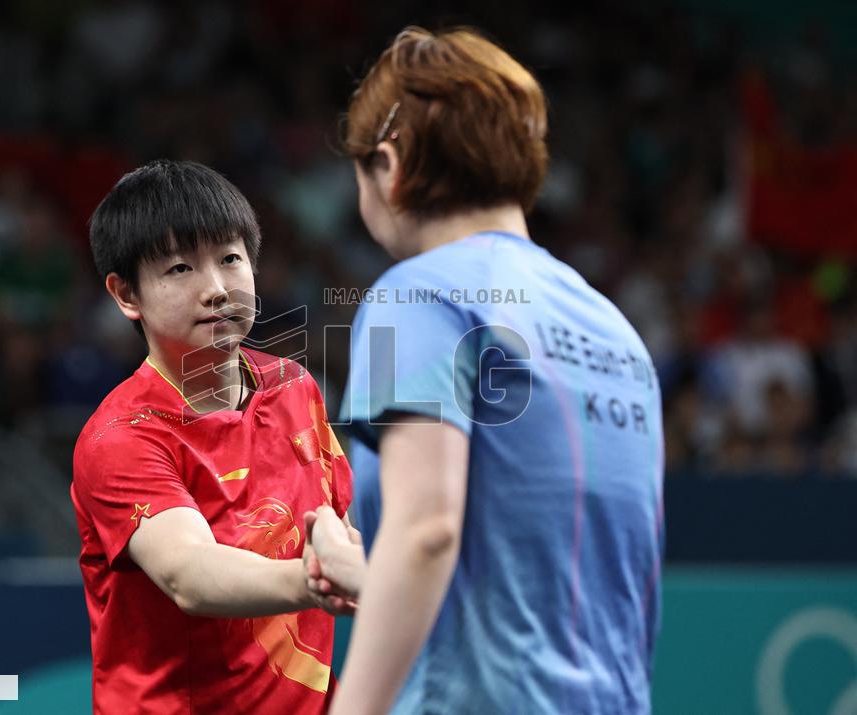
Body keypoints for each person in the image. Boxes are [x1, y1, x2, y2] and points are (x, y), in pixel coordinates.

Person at [306, 27, 665, 714]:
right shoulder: (614, 329)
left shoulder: (415, 294)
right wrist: (370, 575)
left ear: (389, 166)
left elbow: (428, 530)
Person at [71, 160, 355, 714]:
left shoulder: (295, 388)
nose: (217, 289)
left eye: (230, 259)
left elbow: (334, 529)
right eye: (180, 269)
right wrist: (319, 581)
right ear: (127, 294)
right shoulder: (122, 437)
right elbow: (191, 574)